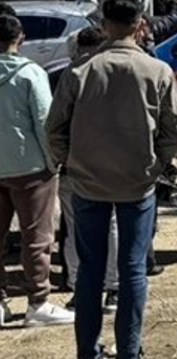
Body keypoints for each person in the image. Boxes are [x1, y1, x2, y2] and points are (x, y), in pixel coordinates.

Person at [46, 0, 177, 359]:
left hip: (87, 182)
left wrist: (70, 162)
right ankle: (127, 358)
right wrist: (155, 167)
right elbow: (175, 133)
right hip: (137, 183)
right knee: (132, 269)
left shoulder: (79, 72)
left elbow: (53, 129)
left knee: (90, 271)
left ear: (105, 24)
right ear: (140, 23)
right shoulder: (157, 71)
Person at [0, 15, 75, 328]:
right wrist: (52, 161)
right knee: (36, 236)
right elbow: (45, 122)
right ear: (22, 38)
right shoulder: (30, 73)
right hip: (30, 167)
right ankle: (38, 301)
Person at [54, 28, 120, 309]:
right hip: (112, 164)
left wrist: (62, 158)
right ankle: (113, 287)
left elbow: (53, 125)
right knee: (112, 226)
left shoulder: (65, 76)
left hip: (75, 166)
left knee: (74, 227)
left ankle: (80, 288)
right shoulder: (118, 74)